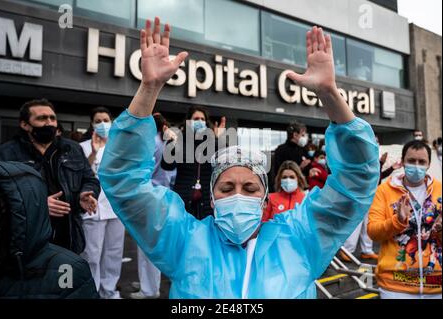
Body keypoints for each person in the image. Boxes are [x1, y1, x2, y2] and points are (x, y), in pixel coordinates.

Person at [98, 19, 380, 298]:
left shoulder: (300, 239)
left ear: (264, 197)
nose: (238, 196)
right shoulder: (185, 242)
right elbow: (124, 182)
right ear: (211, 198)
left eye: (249, 188)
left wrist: (330, 94)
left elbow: (356, 181)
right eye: (226, 188)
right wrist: (148, 89)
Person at [0, 99, 99, 254]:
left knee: (66, 277)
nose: (49, 123)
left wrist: (86, 193)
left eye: (52, 118)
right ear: (25, 125)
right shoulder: (5, 154)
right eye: (42, 118)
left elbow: (89, 179)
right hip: (25, 243)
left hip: (68, 240)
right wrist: (38, 205)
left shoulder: (72, 149)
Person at [0, 161, 98, 299]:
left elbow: (89, 178)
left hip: (56, 234)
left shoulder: (70, 271)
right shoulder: (7, 153)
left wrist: (79, 195)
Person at [368, 140, 442, 299]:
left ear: (429, 164)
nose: (416, 166)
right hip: (395, 286)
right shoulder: (384, 191)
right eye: (411, 161)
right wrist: (397, 221)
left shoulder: (440, 190)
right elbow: (373, 232)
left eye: (422, 162)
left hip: (436, 285)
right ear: (402, 162)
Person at [130, 112, 177, 299]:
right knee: (152, 245)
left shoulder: (150, 145)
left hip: (149, 197)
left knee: (147, 246)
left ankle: (149, 289)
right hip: (163, 196)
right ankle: (147, 283)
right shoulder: (167, 143)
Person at [79, 106, 124, 299]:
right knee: (92, 255)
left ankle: (109, 290)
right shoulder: (83, 147)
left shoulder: (120, 146)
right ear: (92, 124)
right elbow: (80, 173)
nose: (103, 124)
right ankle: (92, 291)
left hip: (116, 206)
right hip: (93, 206)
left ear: (112, 122)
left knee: (113, 254)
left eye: (106, 120)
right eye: (98, 121)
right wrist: (93, 154)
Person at [162, 105, 226, 220]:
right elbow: (167, 166)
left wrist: (219, 139)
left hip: (207, 203)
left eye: (202, 119)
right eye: (196, 119)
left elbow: (224, 163)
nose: (200, 122)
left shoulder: (212, 143)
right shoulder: (180, 141)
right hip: (183, 200)